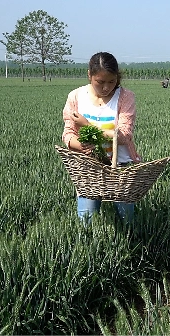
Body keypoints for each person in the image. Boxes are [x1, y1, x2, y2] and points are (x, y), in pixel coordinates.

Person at [62, 52, 141, 224]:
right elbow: (68, 133)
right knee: (87, 218)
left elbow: (124, 135)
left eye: (111, 82)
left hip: (120, 166)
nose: (106, 87)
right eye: (100, 82)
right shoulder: (76, 96)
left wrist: (88, 125)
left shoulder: (125, 97)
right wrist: (79, 146)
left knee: (126, 218)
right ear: (89, 75)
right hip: (88, 167)